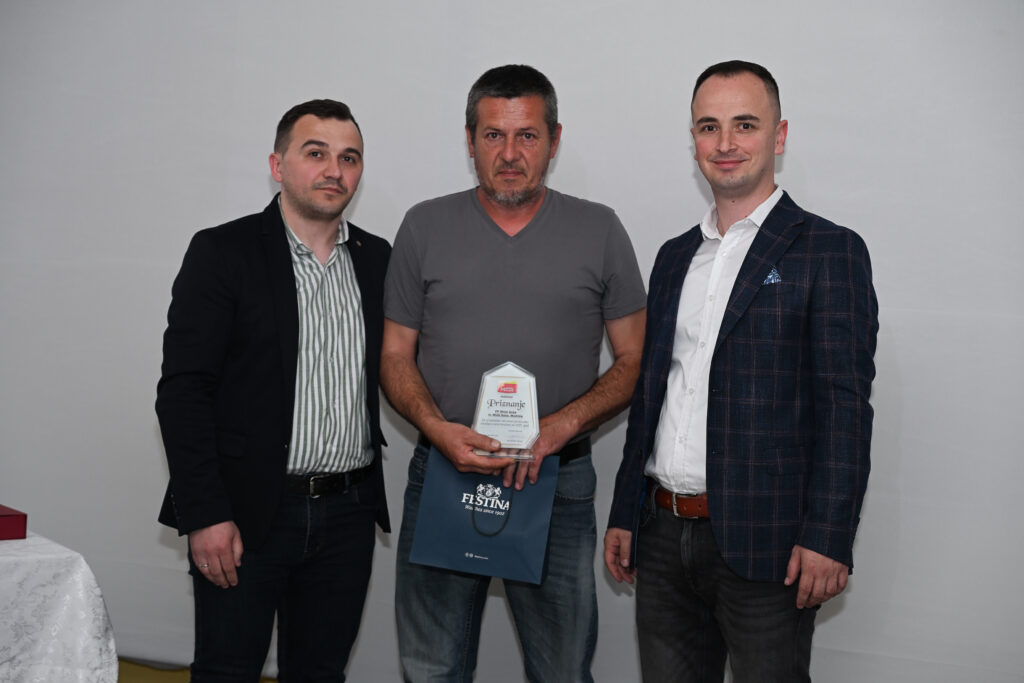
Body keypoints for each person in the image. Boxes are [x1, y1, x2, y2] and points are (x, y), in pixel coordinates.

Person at [604, 60, 878, 682]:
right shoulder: (674, 257)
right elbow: (651, 396)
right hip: (662, 534)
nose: (725, 143)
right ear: (694, 140)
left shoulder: (829, 251)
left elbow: (845, 408)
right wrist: (625, 510)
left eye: (745, 125)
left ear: (779, 136)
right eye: (709, 127)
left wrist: (829, 534)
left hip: (771, 543)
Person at [381, 64, 647, 683]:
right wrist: (437, 430)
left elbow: (635, 360)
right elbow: (394, 356)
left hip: (557, 480)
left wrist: (561, 426)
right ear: (470, 139)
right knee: (430, 670)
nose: (509, 154)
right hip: (445, 471)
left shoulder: (600, 230)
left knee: (562, 671)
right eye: (493, 135)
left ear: (554, 140)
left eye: (527, 135)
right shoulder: (423, 226)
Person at [155, 99, 390, 682]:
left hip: (348, 514)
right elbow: (183, 392)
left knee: (320, 673)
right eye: (316, 153)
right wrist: (205, 514)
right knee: (226, 672)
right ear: (277, 165)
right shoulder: (223, 252)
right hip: (247, 514)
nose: (334, 170)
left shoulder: (378, 260)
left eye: (349, 158)